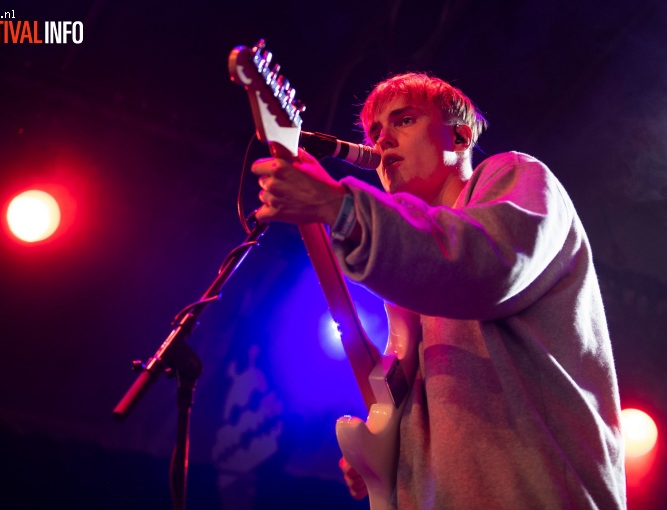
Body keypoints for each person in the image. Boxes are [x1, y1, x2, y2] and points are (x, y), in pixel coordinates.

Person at [251, 72, 626, 508]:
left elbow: (485, 266)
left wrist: (342, 207)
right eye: (375, 132)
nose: (382, 140)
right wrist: (395, 464)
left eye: (404, 121)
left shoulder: (517, 176)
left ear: (460, 136)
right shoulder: (411, 289)